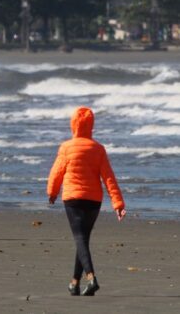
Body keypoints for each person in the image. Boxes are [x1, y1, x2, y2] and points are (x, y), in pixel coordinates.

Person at [47, 107, 126, 296]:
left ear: (73, 125)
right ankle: (75, 282)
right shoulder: (98, 149)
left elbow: (57, 172)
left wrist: (52, 192)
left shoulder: (66, 147)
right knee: (83, 239)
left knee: (80, 238)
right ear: (91, 126)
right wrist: (118, 203)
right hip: (93, 201)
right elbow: (109, 177)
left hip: (73, 199)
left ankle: (91, 278)